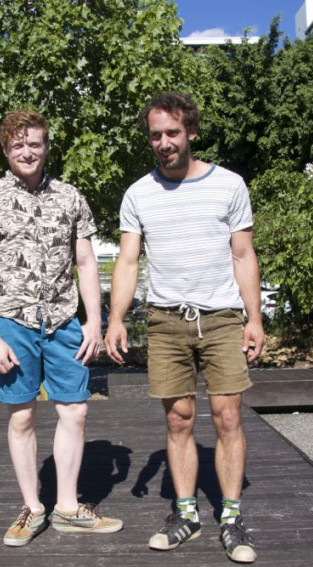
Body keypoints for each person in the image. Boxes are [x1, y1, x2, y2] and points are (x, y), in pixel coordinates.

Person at [104, 92, 265, 563]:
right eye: (156, 135)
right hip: (166, 320)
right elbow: (129, 261)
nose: (164, 142)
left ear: (191, 132)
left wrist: (254, 318)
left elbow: (243, 255)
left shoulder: (230, 185)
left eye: (172, 133)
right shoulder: (138, 194)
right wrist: (116, 319)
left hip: (220, 318)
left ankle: (232, 517)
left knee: (228, 417)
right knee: (178, 420)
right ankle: (187, 513)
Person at [0, 109, 123, 547]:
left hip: (64, 321)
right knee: (23, 415)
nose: (27, 151)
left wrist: (95, 321)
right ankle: (33, 508)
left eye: (35, 142)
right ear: (5, 149)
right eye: (18, 144)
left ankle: (68, 508)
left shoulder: (71, 197)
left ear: (47, 145)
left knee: (76, 410)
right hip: (12, 324)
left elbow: (86, 262)